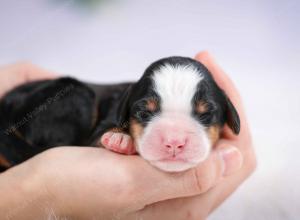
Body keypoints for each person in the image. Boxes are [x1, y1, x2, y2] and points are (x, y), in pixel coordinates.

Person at [0, 51, 256, 220]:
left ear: (228, 117)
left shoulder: (135, 104)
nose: (175, 140)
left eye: (203, 115)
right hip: (23, 115)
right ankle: (14, 155)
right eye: (146, 114)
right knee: (74, 100)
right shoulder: (118, 117)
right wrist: (34, 190)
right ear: (126, 111)